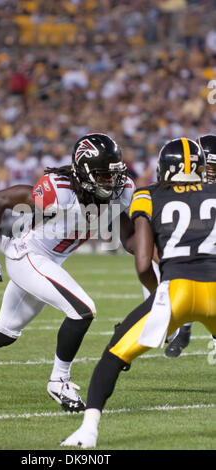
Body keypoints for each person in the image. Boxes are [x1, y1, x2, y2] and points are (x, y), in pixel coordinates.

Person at [0, 133, 136, 413]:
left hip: (48, 260)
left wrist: (158, 250)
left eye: (114, 174)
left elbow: (129, 238)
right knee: (83, 310)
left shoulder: (119, 190)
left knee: (4, 331)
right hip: (29, 255)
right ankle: (59, 381)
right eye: (103, 175)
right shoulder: (60, 190)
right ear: (83, 171)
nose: (111, 182)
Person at [61, 137, 216, 448]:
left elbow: (143, 262)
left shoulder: (147, 195)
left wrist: (157, 296)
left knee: (114, 355)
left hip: (177, 292)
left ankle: (88, 431)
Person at [164, 134, 216, 358]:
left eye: (214, 166)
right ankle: (179, 330)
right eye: (209, 166)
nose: (211, 172)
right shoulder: (182, 188)